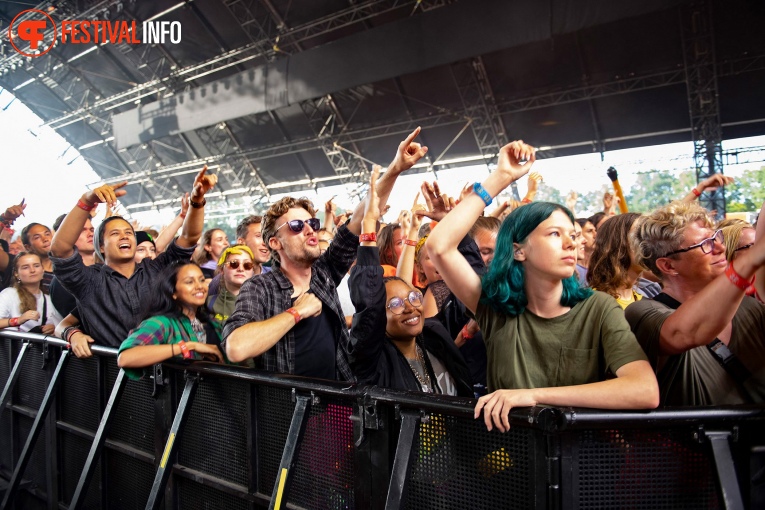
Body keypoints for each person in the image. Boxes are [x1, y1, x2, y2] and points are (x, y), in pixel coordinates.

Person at [427, 140, 659, 432]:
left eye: (572, 235)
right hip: (516, 464)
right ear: (519, 250)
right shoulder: (495, 308)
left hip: (582, 464)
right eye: (554, 234)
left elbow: (644, 389)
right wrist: (501, 177)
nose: (570, 243)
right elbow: (440, 245)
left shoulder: (597, 308)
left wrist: (534, 397)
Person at [223, 127, 429, 380]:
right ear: (275, 243)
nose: (309, 229)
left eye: (313, 223)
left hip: (338, 406)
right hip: (290, 413)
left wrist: (395, 168)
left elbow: (359, 217)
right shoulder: (260, 288)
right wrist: (296, 312)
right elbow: (236, 347)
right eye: (297, 226)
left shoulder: (323, 273)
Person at [49, 166, 216, 352]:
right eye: (115, 233)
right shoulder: (88, 281)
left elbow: (189, 238)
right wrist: (86, 201)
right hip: (113, 375)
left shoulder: (155, 269)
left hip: (164, 373)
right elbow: (60, 250)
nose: (124, 236)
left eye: (129, 232)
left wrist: (197, 201)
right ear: (101, 246)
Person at [625, 200, 765, 406]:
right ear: (668, 265)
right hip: (698, 438)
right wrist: (748, 262)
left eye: (717, 237)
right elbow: (684, 333)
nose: (719, 247)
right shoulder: (642, 313)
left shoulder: (749, 307)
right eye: (704, 244)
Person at [348, 168, 473, 395]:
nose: (409, 307)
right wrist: (368, 225)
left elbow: (477, 284)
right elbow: (367, 303)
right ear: (377, 316)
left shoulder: (435, 337)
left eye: (413, 297)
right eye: (394, 304)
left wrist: (453, 223)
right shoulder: (373, 362)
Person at [117, 262, 224, 380]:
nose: (199, 286)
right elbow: (125, 357)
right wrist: (189, 346)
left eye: (202, 280)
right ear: (173, 292)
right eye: (189, 282)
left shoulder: (211, 321)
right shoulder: (162, 322)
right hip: (180, 396)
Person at [587, 213, 645, 309]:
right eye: (640, 235)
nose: (650, 243)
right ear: (617, 244)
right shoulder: (594, 302)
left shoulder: (643, 300)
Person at [0, 252, 62, 333]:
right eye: (25, 267)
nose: (32, 270)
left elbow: (63, 325)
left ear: (43, 270)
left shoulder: (50, 298)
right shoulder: (8, 294)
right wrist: (18, 320)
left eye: (36, 266)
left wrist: (54, 328)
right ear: (16, 274)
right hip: (13, 345)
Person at [207, 245, 256, 324]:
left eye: (247, 265)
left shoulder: (262, 303)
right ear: (221, 269)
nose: (240, 269)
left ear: (252, 270)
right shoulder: (208, 303)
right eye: (234, 263)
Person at [21, 222, 55, 294]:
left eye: (47, 234)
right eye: (37, 237)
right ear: (28, 247)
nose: (45, 239)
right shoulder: (29, 274)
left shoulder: (65, 267)